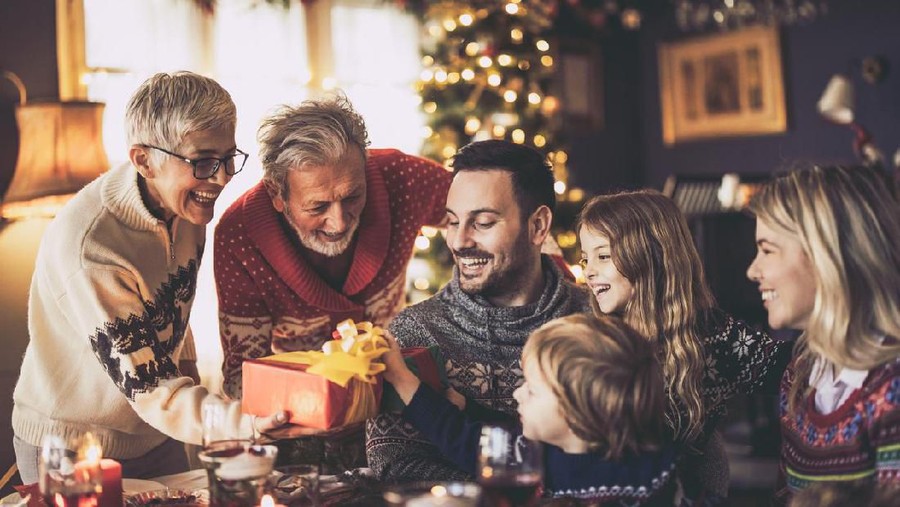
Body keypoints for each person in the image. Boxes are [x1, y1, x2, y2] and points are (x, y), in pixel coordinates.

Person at [11, 72, 287, 483]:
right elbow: (149, 386)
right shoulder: (94, 249)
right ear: (144, 160)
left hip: (156, 432)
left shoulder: (188, 206)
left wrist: (194, 380)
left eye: (229, 157)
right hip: (72, 445)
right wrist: (246, 421)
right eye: (204, 161)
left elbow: (171, 306)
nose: (223, 177)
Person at [366, 140, 592, 481]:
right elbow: (397, 467)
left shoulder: (598, 323)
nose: (458, 241)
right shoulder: (415, 333)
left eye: (483, 222)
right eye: (452, 221)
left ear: (538, 226)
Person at [214, 95, 451, 398]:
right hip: (300, 404)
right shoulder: (239, 238)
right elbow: (244, 378)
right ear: (277, 194)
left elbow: (483, 208)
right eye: (317, 207)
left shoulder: (401, 177)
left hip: (398, 391)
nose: (339, 223)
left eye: (352, 197)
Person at [577, 189, 792, 503]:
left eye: (603, 255)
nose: (589, 270)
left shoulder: (710, 334)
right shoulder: (596, 336)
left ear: (649, 254)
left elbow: (787, 368)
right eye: (586, 258)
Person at [382, 313, 679, 505]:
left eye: (532, 390)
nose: (516, 393)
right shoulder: (533, 450)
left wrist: (401, 377)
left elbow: (462, 439)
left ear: (577, 412)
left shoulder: (655, 477)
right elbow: (466, 436)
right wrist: (403, 379)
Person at [745, 165, 900, 504]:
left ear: (828, 255)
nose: (752, 270)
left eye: (767, 250)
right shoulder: (799, 378)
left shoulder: (892, 391)